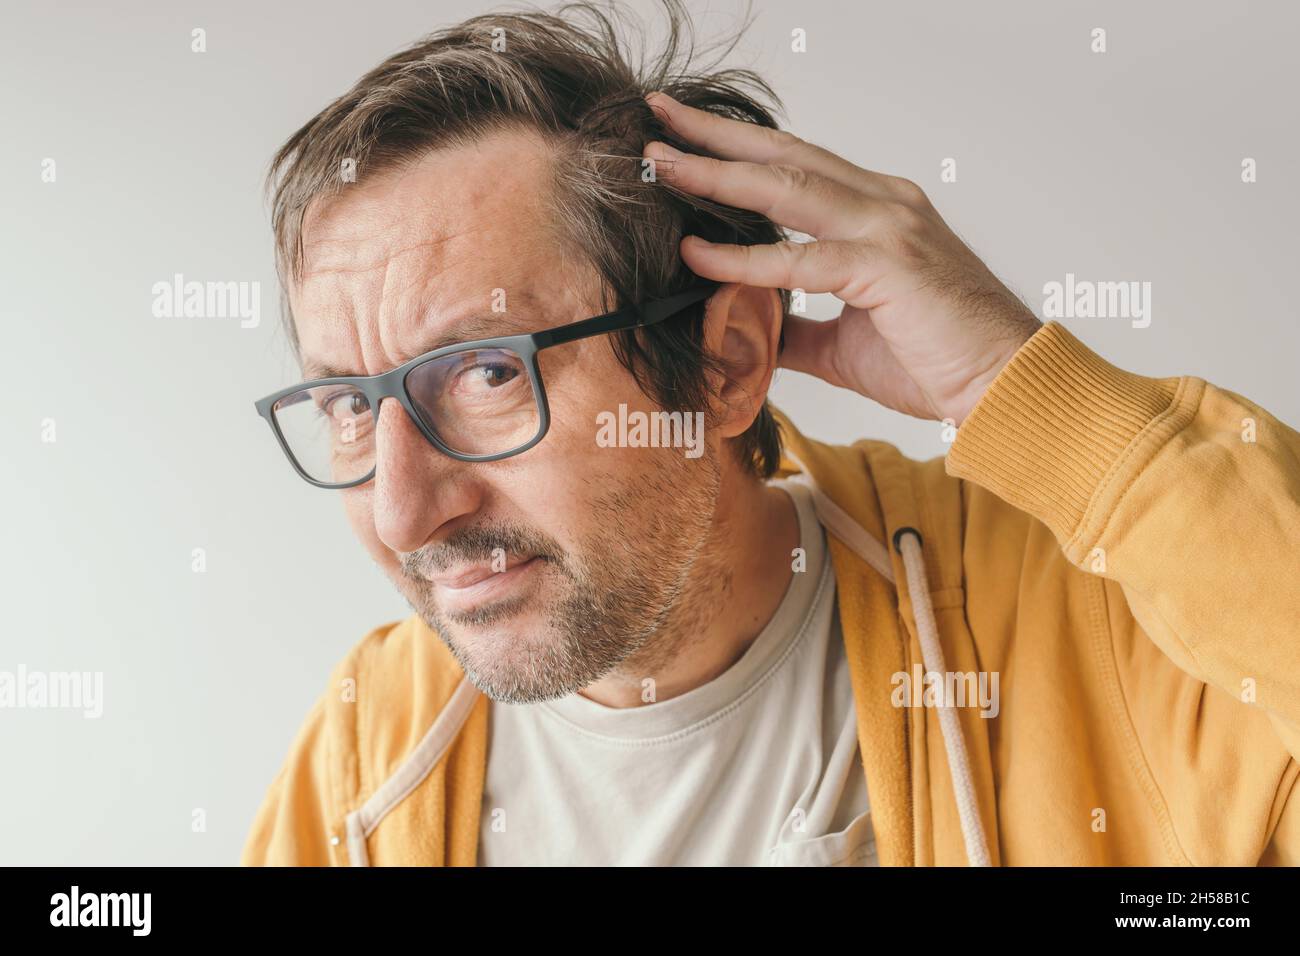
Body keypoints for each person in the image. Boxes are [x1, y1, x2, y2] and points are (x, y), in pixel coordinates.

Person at [241, 1, 1300, 866]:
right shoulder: (370, 745)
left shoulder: (1077, 621)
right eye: (348, 404)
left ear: (726, 360)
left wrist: (1030, 399)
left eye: (484, 372)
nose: (401, 508)